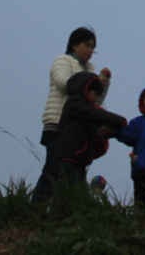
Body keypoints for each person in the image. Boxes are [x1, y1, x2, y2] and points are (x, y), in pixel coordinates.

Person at [31, 27, 111, 202]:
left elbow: (94, 102)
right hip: (57, 123)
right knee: (54, 168)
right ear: (74, 44)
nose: (90, 51)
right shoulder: (63, 60)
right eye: (87, 45)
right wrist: (90, 84)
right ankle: (37, 206)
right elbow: (63, 82)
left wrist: (102, 85)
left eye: (93, 48)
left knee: (73, 170)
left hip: (77, 129)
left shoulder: (88, 71)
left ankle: (68, 209)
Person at [49, 71, 127, 195]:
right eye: (95, 94)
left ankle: (67, 210)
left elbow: (93, 127)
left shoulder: (81, 109)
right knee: (66, 188)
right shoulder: (75, 104)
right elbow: (96, 115)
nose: (96, 99)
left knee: (77, 189)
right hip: (70, 155)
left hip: (78, 157)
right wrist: (119, 121)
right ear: (85, 89)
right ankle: (58, 211)